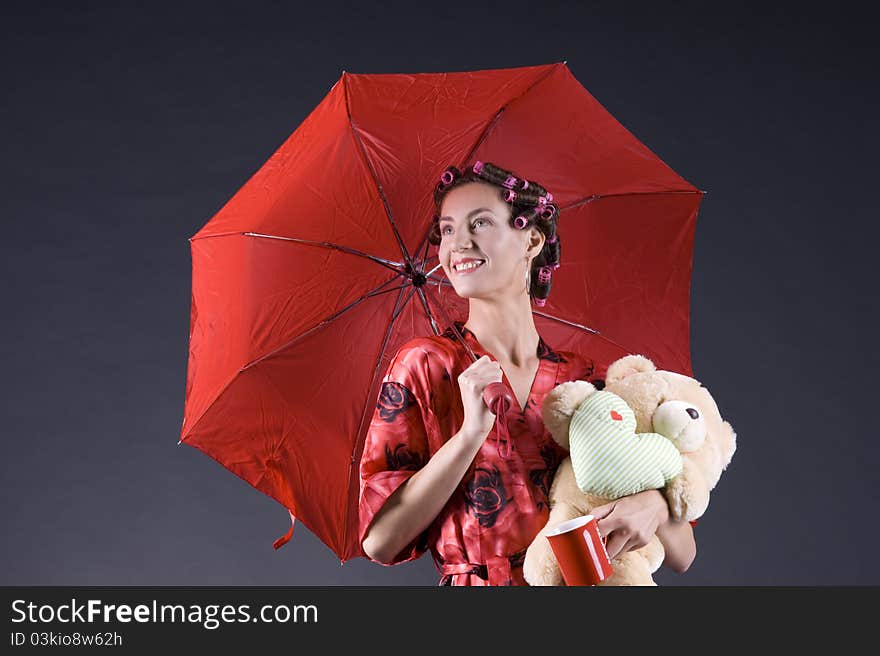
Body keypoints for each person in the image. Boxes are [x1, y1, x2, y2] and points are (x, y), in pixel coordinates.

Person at [358, 161, 696, 585]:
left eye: (479, 223)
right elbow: (380, 542)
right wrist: (468, 437)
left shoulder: (587, 380)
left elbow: (684, 553)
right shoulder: (427, 365)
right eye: (446, 230)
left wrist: (655, 505)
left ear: (532, 239)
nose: (457, 243)